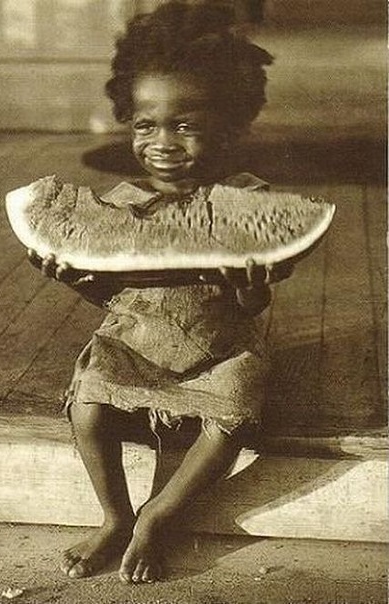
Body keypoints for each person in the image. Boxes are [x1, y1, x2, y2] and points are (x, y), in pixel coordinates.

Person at [29, 1, 292, 584]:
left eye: (185, 125)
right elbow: (116, 296)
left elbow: (255, 305)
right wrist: (77, 277)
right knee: (88, 405)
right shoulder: (121, 204)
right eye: (145, 125)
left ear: (229, 124)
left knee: (231, 412)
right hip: (136, 340)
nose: (163, 142)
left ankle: (157, 515)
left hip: (219, 348)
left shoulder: (247, 200)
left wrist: (249, 288)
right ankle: (114, 516)